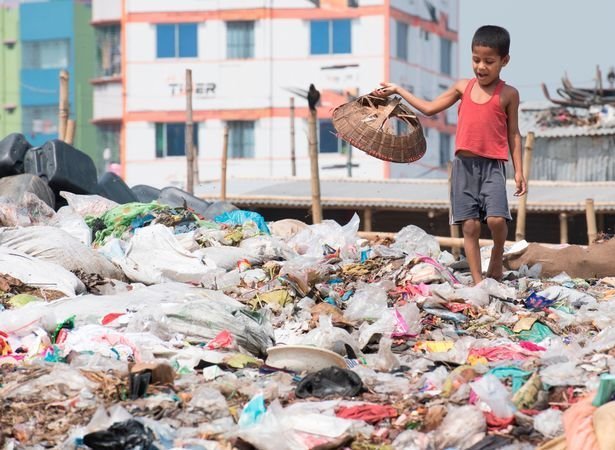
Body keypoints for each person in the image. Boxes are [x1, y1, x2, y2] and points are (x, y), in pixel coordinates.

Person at [373, 25, 526, 284]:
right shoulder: (461, 88)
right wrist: (399, 90)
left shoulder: (508, 94)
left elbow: (514, 134)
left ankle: (498, 254)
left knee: (497, 220)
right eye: (476, 60)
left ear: (504, 61)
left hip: (493, 166)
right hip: (463, 166)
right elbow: (430, 108)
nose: (481, 67)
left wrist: (520, 171)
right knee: (470, 226)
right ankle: (479, 283)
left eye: (489, 61)